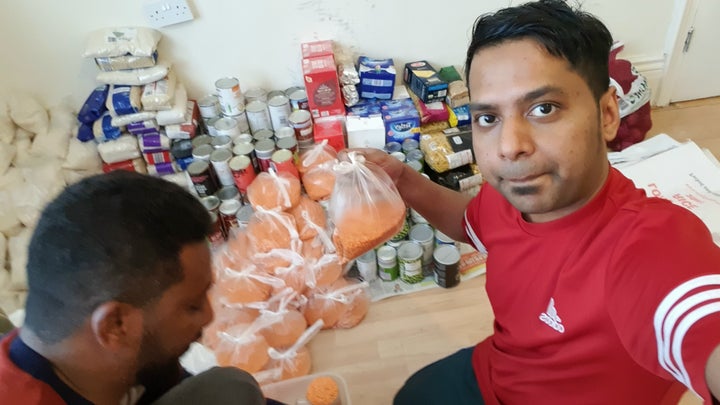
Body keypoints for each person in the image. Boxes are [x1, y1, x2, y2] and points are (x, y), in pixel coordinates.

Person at [356, 1, 720, 404]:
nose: (510, 147)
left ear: (607, 115)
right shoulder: (507, 196)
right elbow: (472, 222)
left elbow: (698, 316)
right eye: (488, 118)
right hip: (500, 370)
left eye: (543, 109)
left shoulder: (650, 243)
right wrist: (404, 179)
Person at [0, 171, 273, 404]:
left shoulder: (95, 359)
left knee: (228, 390)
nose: (208, 317)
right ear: (115, 326)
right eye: (192, 306)